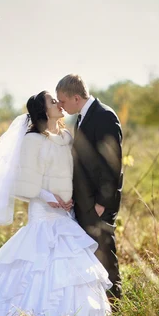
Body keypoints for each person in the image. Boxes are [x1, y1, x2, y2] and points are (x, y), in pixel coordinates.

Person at [0, 91, 112, 316]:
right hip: (44, 211)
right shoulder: (32, 140)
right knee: (36, 265)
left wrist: (72, 199)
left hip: (65, 213)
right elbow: (23, 184)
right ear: (43, 110)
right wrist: (52, 198)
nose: (59, 104)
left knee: (67, 264)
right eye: (53, 101)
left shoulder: (65, 137)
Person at [56, 74, 124, 302]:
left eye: (63, 101)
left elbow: (112, 164)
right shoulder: (83, 117)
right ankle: (100, 303)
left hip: (99, 203)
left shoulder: (104, 116)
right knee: (93, 253)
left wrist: (101, 204)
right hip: (87, 202)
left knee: (105, 253)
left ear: (76, 97)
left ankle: (116, 303)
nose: (61, 107)